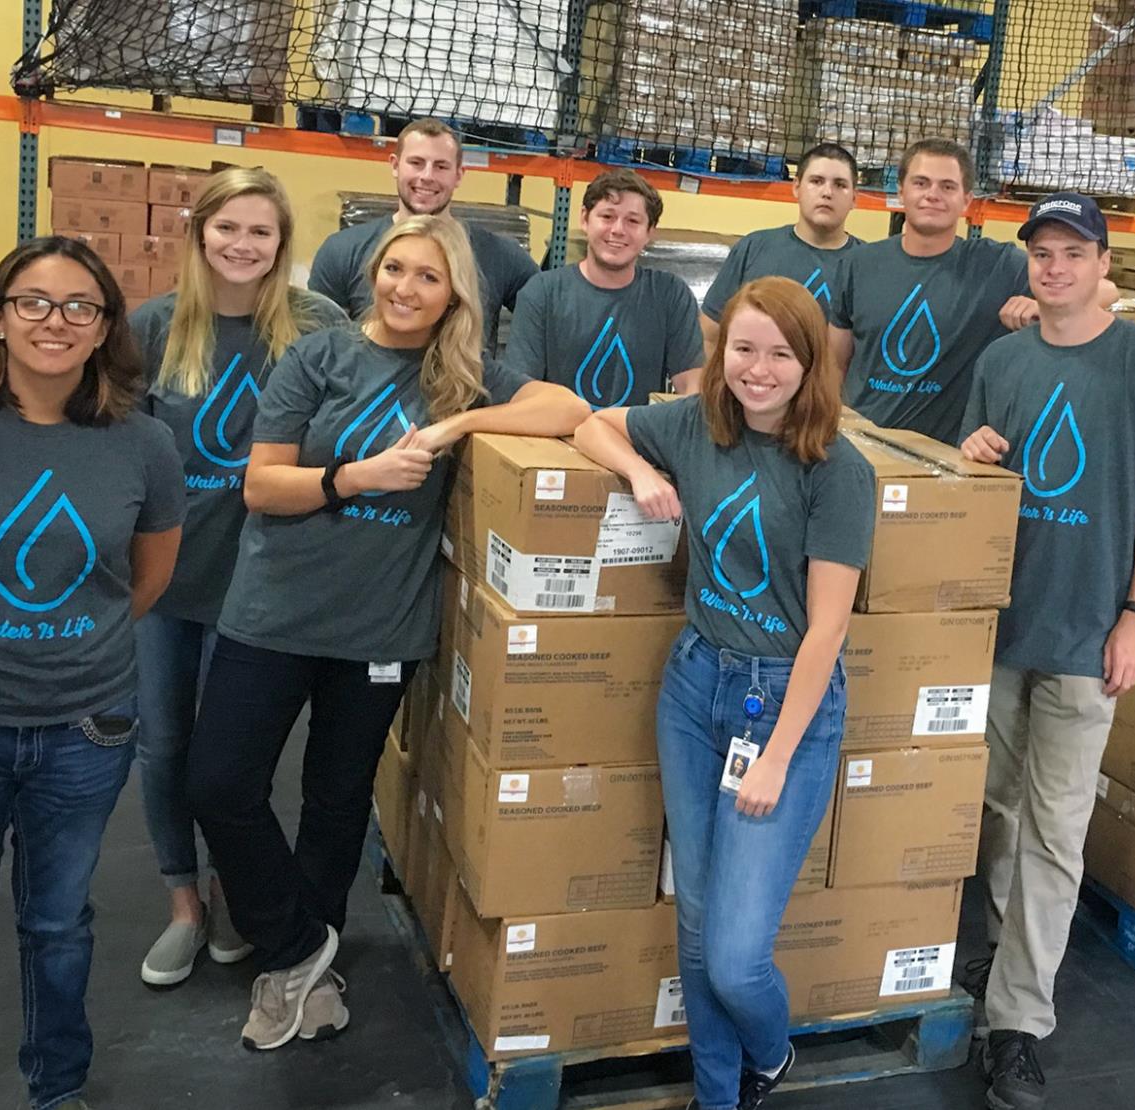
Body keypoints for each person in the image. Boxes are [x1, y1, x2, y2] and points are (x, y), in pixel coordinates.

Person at [185, 215, 589, 1051]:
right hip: (274, 612)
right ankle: (297, 945)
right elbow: (262, 486)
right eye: (394, 269)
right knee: (219, 782)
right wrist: (354, 478)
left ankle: (307, 976)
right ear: (374, 272)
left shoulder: (464, 375)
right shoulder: (317, 356)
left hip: (378, 631)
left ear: (454, 298)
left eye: (427, 278)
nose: (405, 288)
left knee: (337, 804)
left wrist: (461, 424)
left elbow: (567, 406)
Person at [0, 237, 185, 1110]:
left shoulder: (146, 446)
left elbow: (149, 575)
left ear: (104, 331)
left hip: (84, 731)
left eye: (78, 307)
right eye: (34, 302)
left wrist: (70, 642)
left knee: (58, 925)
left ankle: (57, 1090)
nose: (55, 321)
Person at [573, 276, 875, 1110]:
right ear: (721, 352)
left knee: (738, 955)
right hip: (695, 684)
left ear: (811, 362)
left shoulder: (835, 470)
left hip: (783, 705)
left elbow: (826, 631)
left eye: (781, 353)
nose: (758, 369)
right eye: (743, 348)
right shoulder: (697, 425)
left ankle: (770, 1057)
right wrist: (638, 470)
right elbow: (588, 422)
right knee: (699, 928)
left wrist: (777, 757)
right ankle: (718, 1094)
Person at [956, 193, 1135, 1110]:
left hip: (1088, 633)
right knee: (1000, 816)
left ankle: (1018, 1023)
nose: (1054, 267)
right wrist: (973, 452)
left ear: (1105, 264)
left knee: (1056, 830)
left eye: (1072, 252)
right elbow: (976, 481)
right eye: (1041, 253)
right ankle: (1008, 957)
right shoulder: (1003, 360)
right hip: (1001, 625)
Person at [129, 167, 351, 990]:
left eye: (261, 232)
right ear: (200, 233)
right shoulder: (154, 328)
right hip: (166, 582)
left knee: (232, 765)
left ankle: (233, 891)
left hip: (261, 585)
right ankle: (184, 906)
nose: (243, 245)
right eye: (229, 229)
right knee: (164, 747)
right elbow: (120, 454)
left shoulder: (316, 325)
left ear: (282, 244)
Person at [827, 139, 1118, 445]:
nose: (932, 195)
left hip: (946, 460)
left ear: (966, 200)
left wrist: (1043, 307)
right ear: (901, 192)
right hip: (861, 448)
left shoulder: (995, 266)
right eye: (921, 183)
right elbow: (834, 365)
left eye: (947, 187)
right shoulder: (858, 265)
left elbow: (1107, 290)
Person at [308, 118, 538, 354]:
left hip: (462, 387)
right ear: (395, 166)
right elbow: (317, 349)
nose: (427, 176)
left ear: (459, 174)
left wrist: (518, 377)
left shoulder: (499, 255)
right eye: (416, 163)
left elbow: (549, 319)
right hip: (369, 389)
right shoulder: (342, 251)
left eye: (441, 166)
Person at [503, 168, 705, 405]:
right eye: (607, 216)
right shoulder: (543, 293)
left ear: (649, 231)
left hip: (635, 438)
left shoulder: (670, 295)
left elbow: (692, 386)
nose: (618, 230)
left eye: (633, 221)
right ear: (584, 219)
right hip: (556, 438)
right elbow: (522, 390)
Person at [699, 143, 861, 363]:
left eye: (840, 185)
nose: (827, 192)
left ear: (854, 198)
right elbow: (709, 336)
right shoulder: (754, 248)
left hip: (833, 397)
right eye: (816, 181)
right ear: (796, 188)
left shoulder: (870, 264)